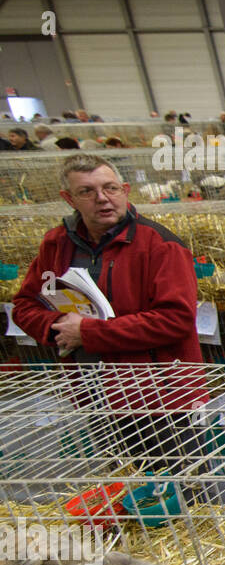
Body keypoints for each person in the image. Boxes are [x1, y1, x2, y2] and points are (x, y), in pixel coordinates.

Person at [10, 154, 206, 474]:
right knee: (123, 482)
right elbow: (25, 306)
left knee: (178, 486)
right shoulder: (56, 245)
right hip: (94, 390)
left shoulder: (160, 244)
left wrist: (87, 332)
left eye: (110, 188)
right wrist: (58, 324)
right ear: (68, 199)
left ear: (126, 190)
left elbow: (176, 319)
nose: (102, 198)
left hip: (160, 396)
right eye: (87, 192)